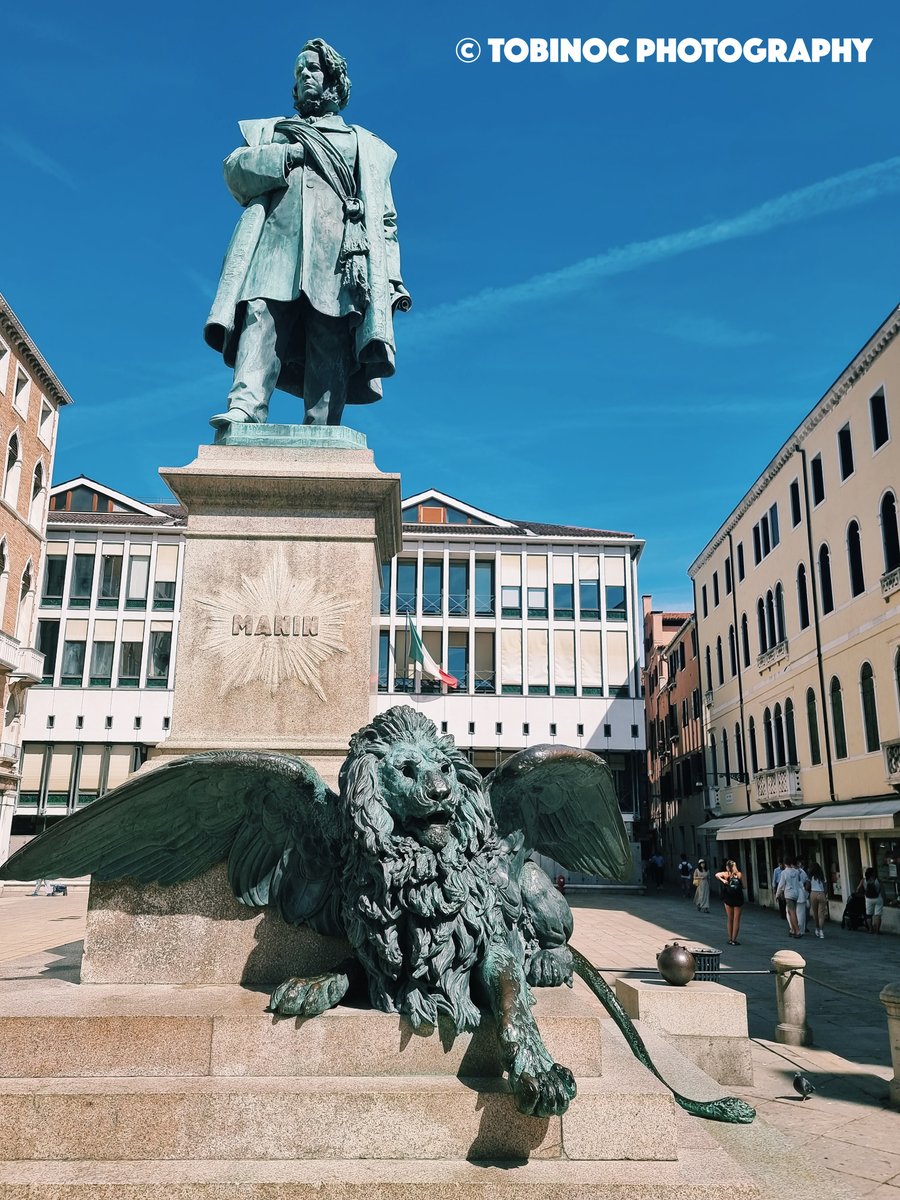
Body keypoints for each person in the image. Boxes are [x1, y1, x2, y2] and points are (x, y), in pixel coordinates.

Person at [205, 39, 411, 429]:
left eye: (312, 70)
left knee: (330, 333)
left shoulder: (362, 145)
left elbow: (385, 219)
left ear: (334, 81)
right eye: (299, 73)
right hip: (274, 247)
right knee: (259, 316)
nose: (304, 77)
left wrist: (393, 279)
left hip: (338, 256)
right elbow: (235, 171)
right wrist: (288, 154)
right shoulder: (274, 132)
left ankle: (322, 426)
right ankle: (245, 407)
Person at [715, 859, 745, 945]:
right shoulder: (739, 874)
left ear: (727, 867)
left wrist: (723, 880)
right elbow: (745, 886)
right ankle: (734, 940)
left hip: (728, 897)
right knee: (736, 920)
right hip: (738, 898)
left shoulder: (725, 874)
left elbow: (716, 875)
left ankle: (729, 938)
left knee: (729, 919)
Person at [776, 855, 802, 937]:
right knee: (791, 912)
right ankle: (792, 929)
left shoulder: (784, 873)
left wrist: (777, 894)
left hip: (789, 894)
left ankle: (797, 930)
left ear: (784, 863)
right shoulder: (796, 872)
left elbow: (781, 885)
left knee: (792, 912)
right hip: (796, 893)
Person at [858, 867, 884, 934]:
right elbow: (882, 889)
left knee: (869, 915)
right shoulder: (877, 880)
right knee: (878, 915)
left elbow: (858, 889)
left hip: (868, 899)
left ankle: (870, 929)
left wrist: (863, 892)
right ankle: (877, 931)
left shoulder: (863, 880)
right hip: (878, 898)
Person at [808, 862, 827, 938]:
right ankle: (821, 931)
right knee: (821, 914)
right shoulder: (821, 876)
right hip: (821, 893)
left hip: (813, 893)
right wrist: (824, 894)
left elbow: (808, 885)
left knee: (815, 913)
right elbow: (825, 886)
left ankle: (817, 928)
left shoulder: (810, 876)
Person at [795, 861, 810, 935]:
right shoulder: (802, 872)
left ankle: (795, 928)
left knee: (793, 912)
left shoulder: (787, 872)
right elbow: (807, 882)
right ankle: (801, 929)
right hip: (801, 895)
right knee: (801, 913)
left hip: (792, 895)